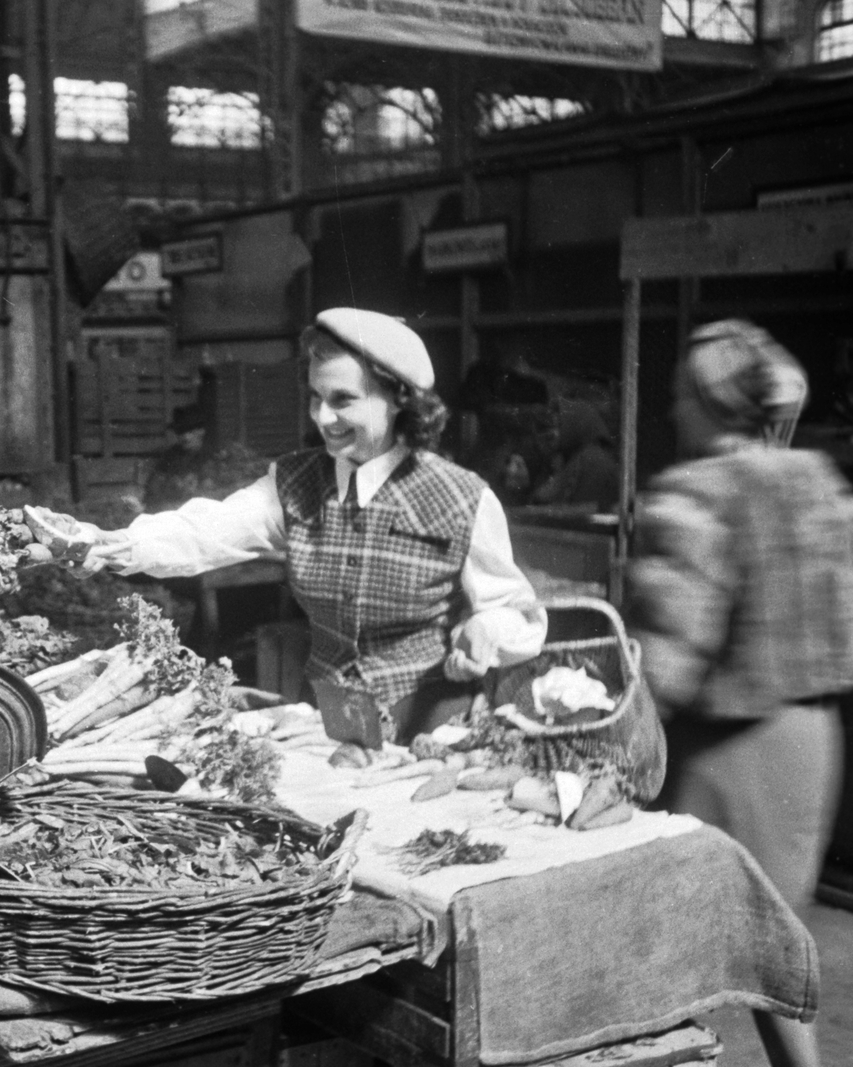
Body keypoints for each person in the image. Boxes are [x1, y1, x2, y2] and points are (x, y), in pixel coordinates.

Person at [77, 308, 546, 741]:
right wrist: (107, 545)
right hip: (330, 722)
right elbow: (206, 531)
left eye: (343, 400)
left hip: (432, 727)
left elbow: (516, 612)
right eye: (316, 397)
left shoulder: (462, 497)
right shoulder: (294, 483)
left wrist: (488, 628)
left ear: (399, 398)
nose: (323, 417)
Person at [628, 319, 852, 1067]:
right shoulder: (819, 481)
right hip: (810, 740)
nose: (669, 411)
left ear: (706, 400)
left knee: (654, 951)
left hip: (724, 751)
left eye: (676, 395)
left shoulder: (694, 493)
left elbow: (668, 666)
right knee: (777, 948)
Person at [531, 400, 620, 511]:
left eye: (559, 424)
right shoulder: (567, 460)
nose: (552, 433)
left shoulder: (592, 460)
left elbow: (579, 512)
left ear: (576, 423)